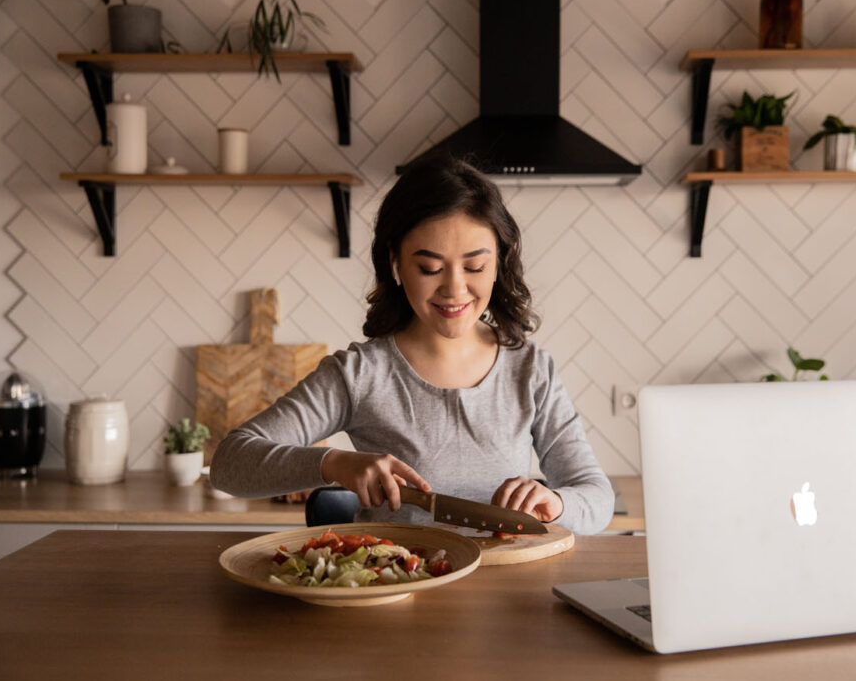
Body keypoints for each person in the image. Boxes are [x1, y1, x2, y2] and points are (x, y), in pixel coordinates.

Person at [210, 156, 614, 534]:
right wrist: (333, 463)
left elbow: (597, 498)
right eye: (430, 268)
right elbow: (229, 464)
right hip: (397, 596)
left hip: (500, 596)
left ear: (499, 263)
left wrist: (557, 502)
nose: (455, 289)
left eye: (475, 266)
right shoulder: (359, 375)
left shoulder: (530, 371)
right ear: (395, 264)